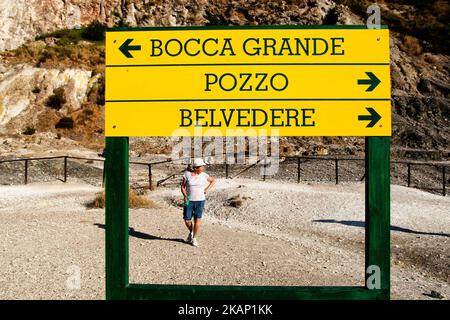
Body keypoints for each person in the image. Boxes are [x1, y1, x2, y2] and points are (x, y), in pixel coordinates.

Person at [181, 158, 216, 247]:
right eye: (202, 166)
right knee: (187, 219)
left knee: (198, 220)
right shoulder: (187, 175)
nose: (204, 168)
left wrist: (207, 189)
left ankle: (194, 238)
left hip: (200, 200)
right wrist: (185, 196)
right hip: (189, 200)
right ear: (196, 167)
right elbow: (183, 187)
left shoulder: (204, 175)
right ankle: (191, 232)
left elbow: (213, 180)